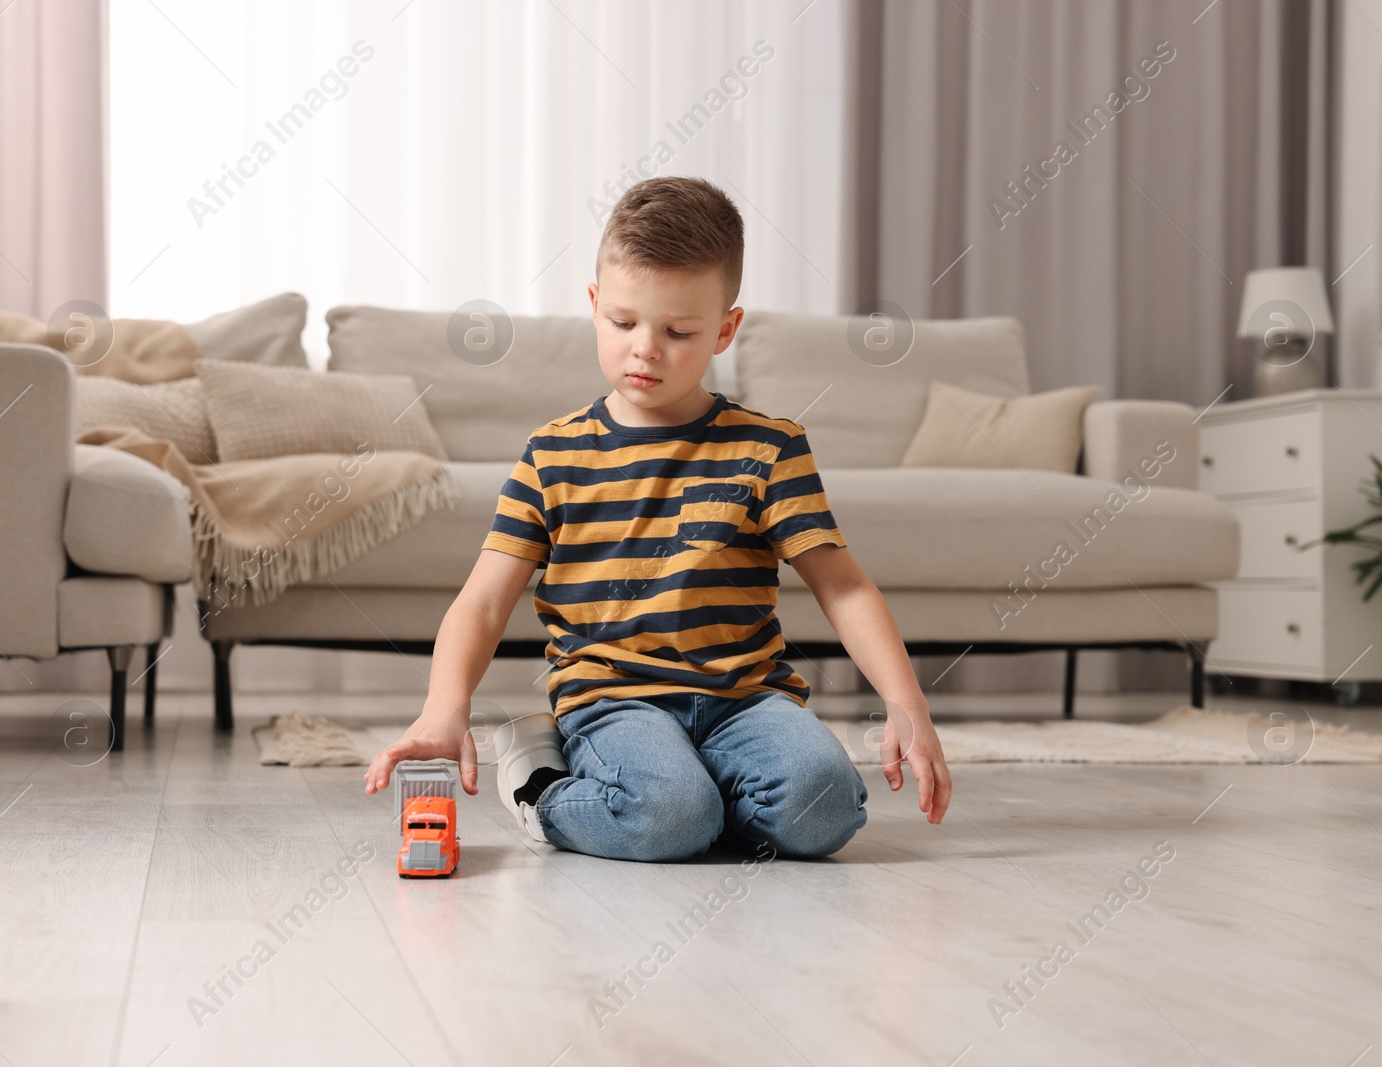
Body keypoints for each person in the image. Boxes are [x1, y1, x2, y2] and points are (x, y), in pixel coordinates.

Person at [365, 176, 951, 862]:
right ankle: (544, 784)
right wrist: (445, 706)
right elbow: (485, 599)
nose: (645, 348)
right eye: (623, 322)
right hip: (615, 700)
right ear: (593, 306)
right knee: (671, 814)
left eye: (678, 331)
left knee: (824, 808)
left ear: (726, 330)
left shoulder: (769, 448)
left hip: (746, 699)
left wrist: (907, 702)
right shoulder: (551, 455)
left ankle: (695, 801)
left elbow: (844, 587)